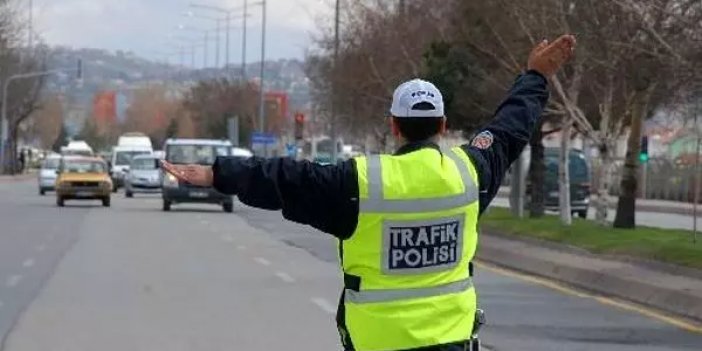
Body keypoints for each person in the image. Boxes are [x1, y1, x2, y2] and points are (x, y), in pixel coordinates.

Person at [162, 35, 576, 351]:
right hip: (453, 342)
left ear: (394, 126)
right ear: (444, 125)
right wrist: (536, 76)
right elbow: (508, 129)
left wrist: (217, 173)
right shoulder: (469, 173)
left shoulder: (360, 182)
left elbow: (284, 178)